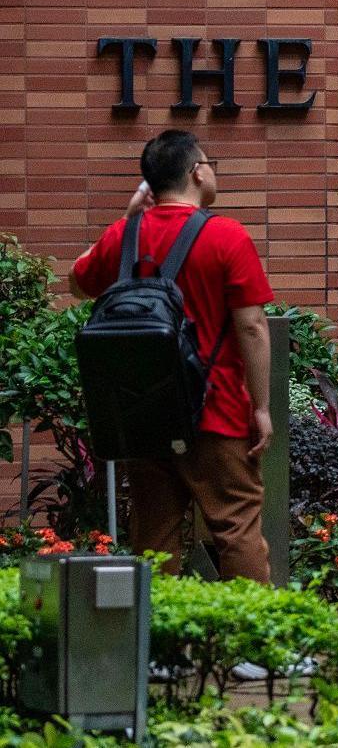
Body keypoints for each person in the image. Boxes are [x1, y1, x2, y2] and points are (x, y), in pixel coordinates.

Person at [69, 130, 275, 581]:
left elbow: (75, 280)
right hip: (217, 411)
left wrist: (126, 222)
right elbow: (252, 326)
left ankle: (157, 645)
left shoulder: (124, 235)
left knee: (154, 538)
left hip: (145, 417)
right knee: (235, 528)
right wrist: (261, 406)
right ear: (197, 171)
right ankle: (253, 646)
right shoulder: (227, 236)